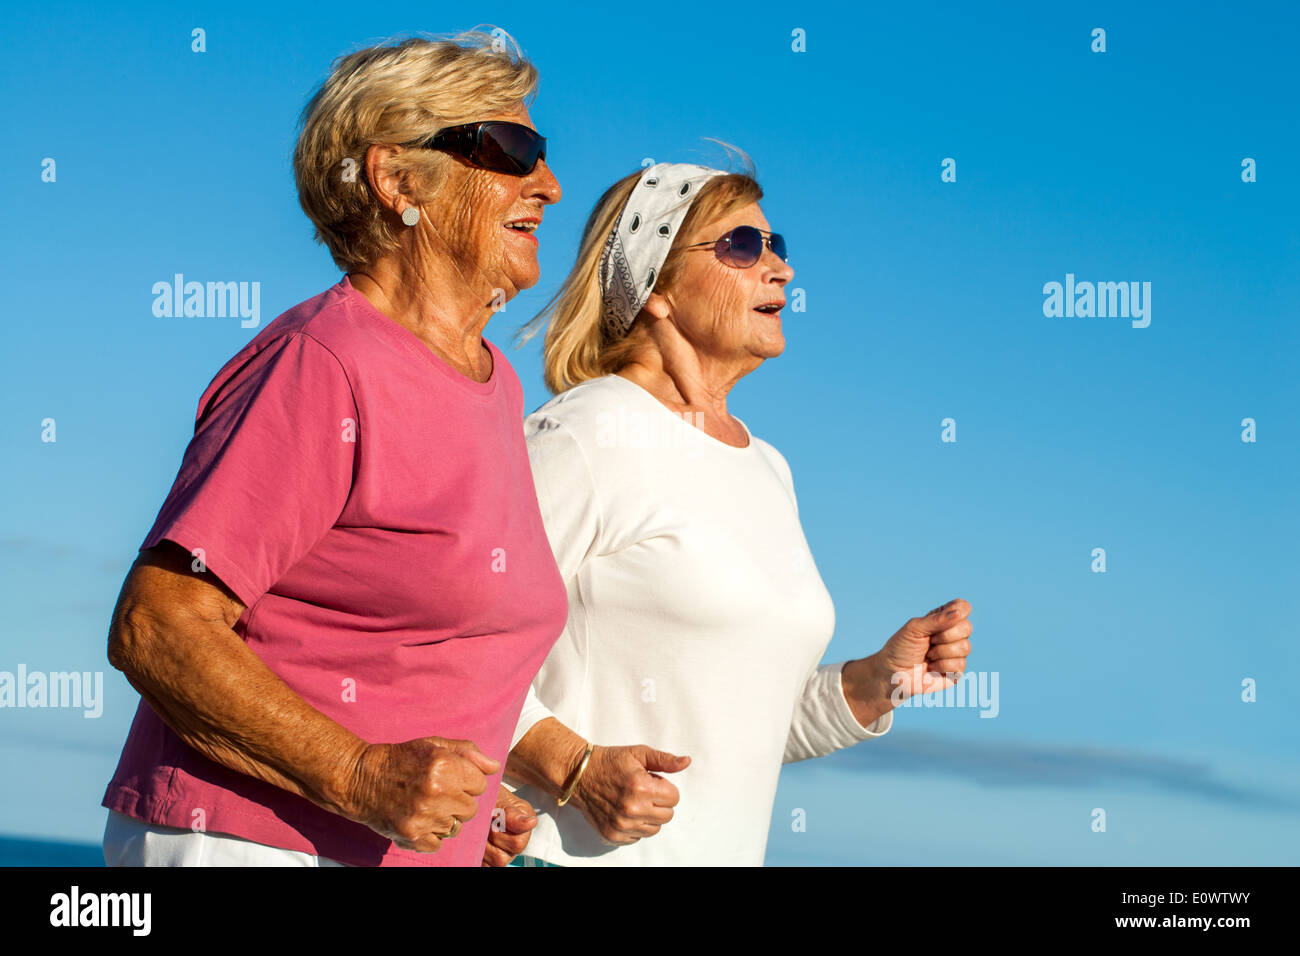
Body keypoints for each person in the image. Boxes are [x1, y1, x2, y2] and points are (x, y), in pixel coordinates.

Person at [100, 29, 565, 867]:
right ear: (396, 180)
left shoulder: (495, 385)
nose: (549, 183)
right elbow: (159, 624)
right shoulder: (324, 363)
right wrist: (361, 776)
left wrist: (466, 809)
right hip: (247, 843)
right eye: (510, 149)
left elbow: (401, 653)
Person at [502, 160, 974, 865]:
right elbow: (441, 649)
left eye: (776, 244)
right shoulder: (588, 433)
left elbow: (738, 726)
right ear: (655, 285)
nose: (779, 268)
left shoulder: (768, 467)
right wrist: (575, 769)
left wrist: (876, 683)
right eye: (742, 248)